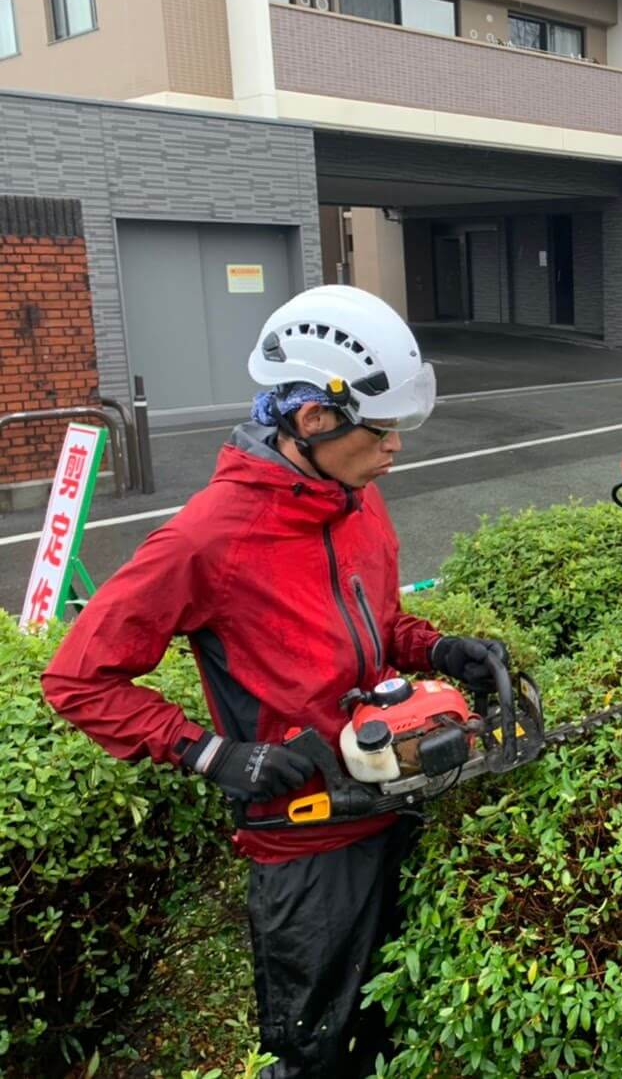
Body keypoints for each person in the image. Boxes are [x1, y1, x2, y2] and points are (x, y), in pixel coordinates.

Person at [42, 286, 505, 1077]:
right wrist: (209, 754)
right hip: (306, 841)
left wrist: (437, 650)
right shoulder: (208, 535)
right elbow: (79, 679)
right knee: (313, 1049)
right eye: (382, 428)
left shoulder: (357, 499)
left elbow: (378, 622)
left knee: (395, 1030)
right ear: (314, 420)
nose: (396, 447)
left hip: (396, 802)